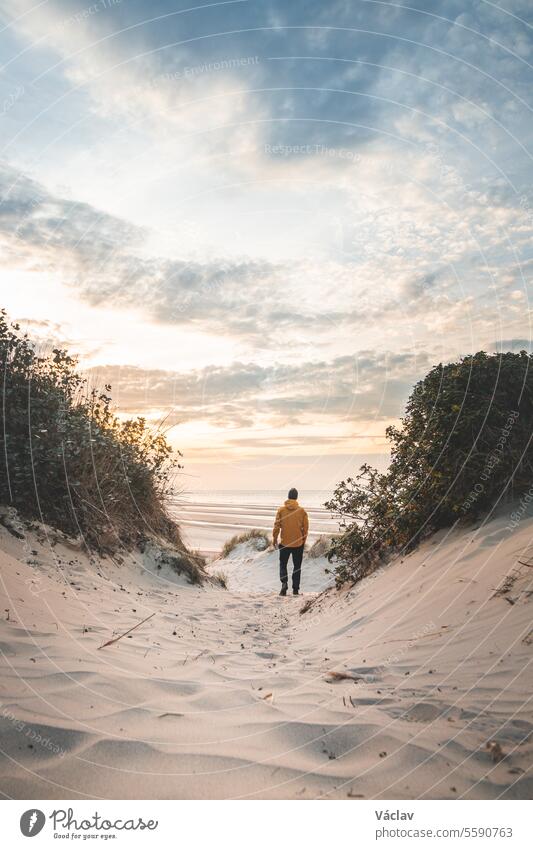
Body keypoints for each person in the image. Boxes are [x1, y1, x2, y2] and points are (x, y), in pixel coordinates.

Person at [272, 488, 309, 596]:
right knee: (297, 567)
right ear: (296, 497)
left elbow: (276, 526)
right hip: (298, 544)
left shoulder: (281, 510)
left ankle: (284, 584)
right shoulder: (302, 511)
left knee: (283, 565)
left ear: (288, 497)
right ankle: (295, 589)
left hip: (284, 543)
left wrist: (274, 539)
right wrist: (303, 541)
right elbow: (305, 529)